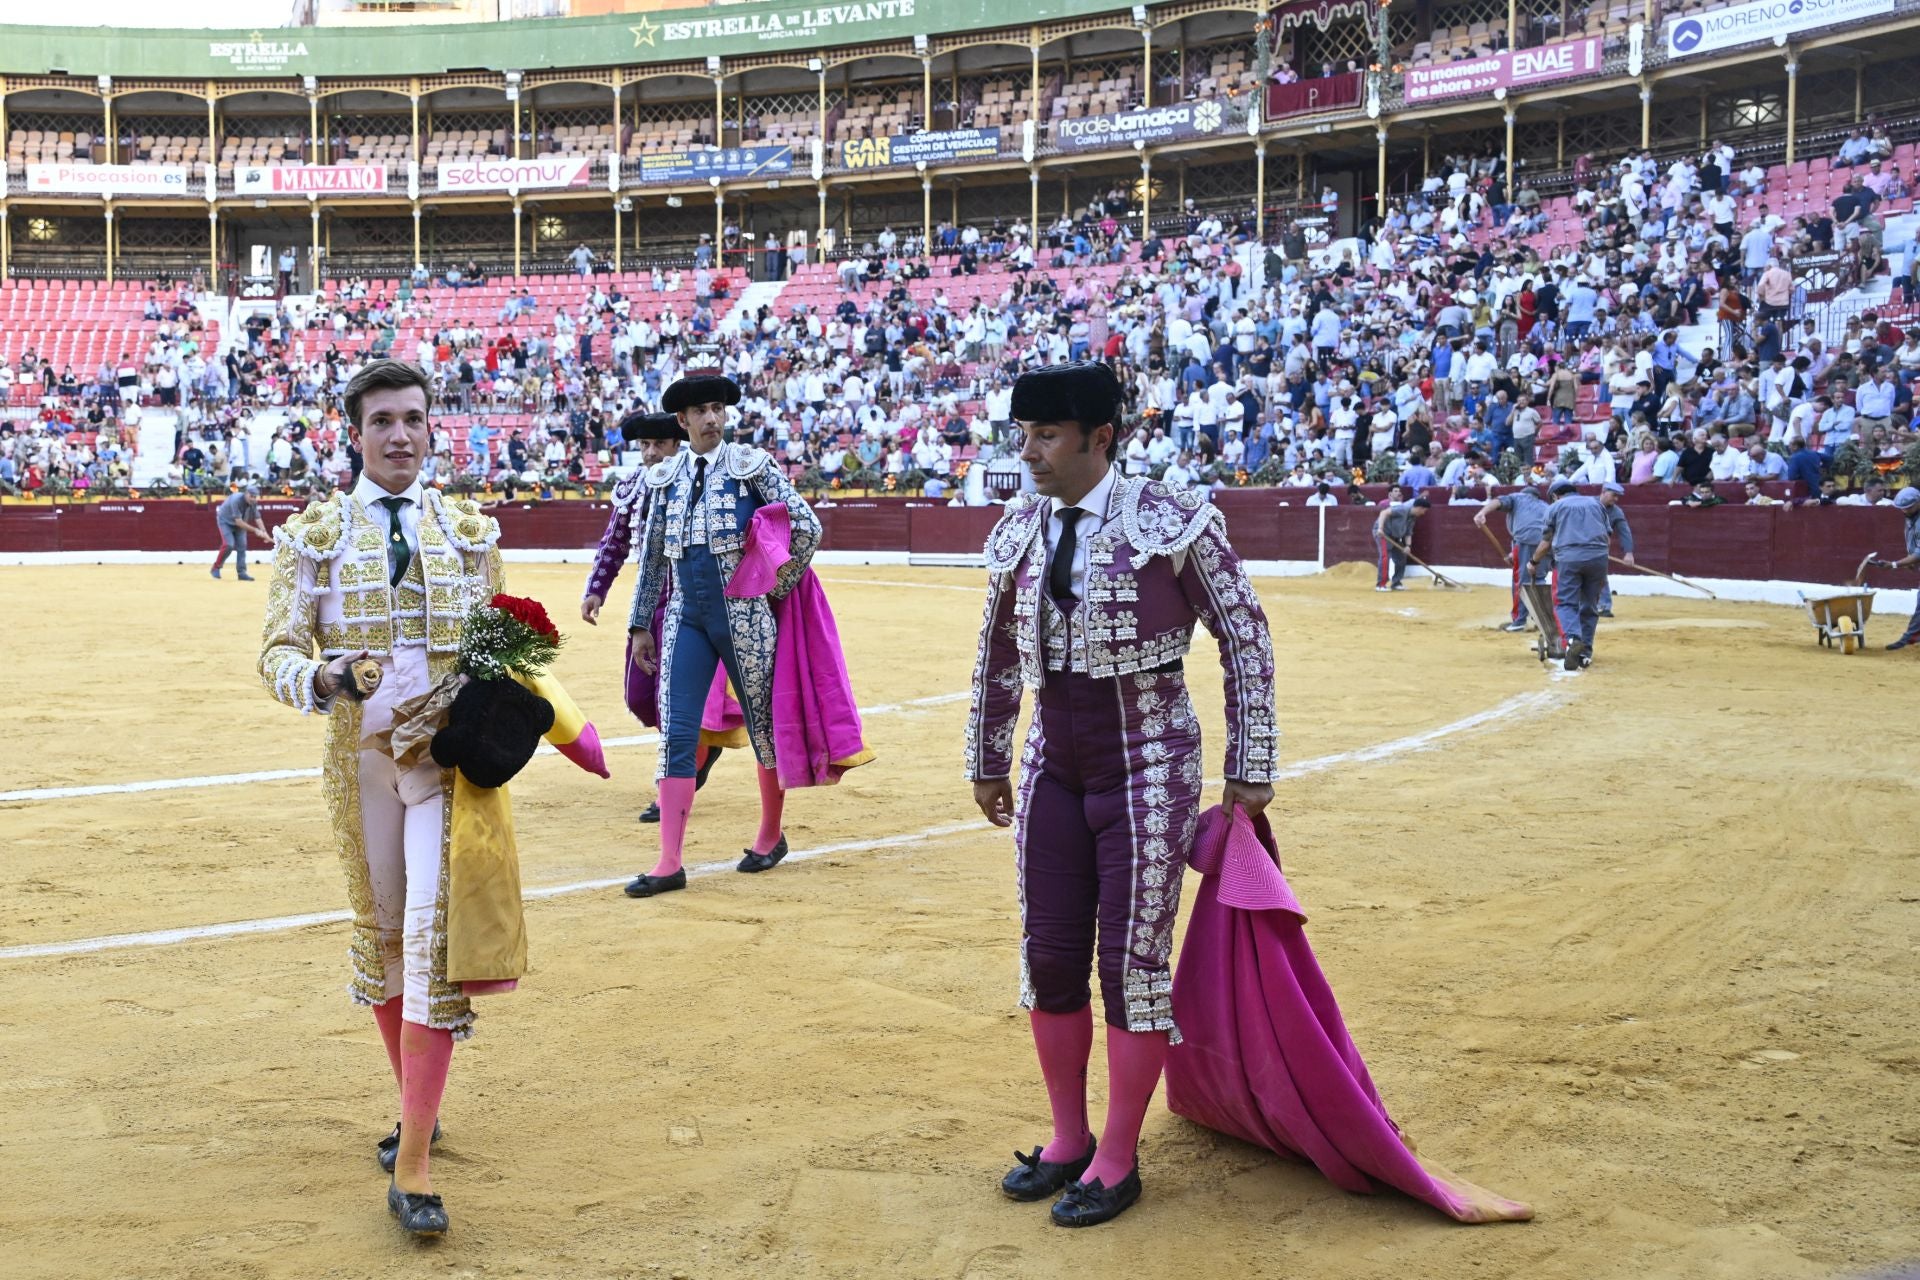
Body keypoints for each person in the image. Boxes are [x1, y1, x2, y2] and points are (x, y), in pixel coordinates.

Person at [965, 360, 1277, 1228]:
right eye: (1023, 435)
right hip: (1051, 764)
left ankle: (1118, 1155)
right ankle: (1069, 1138)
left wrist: (1251, 761)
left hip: (1149, 760)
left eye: (1047, 436)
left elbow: (1244, 636)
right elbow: (997, 653)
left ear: (1101, 438)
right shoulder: (1020, 527)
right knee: (1051, 956)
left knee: (1131, 964)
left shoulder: (1171, 520)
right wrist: (989, 757)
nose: (1029, 452)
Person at [257, 360, 518, 1237]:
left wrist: (505, 707)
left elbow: (500, 649)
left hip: (445, 767)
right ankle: (418, 1109)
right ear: (355, 433)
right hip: (361, 761)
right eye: (383, 421)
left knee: (430, 941)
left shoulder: (470, 532)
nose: (400, 435)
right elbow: (276, 652)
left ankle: (413, 1166)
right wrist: (322, 677)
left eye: (413, 418)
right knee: (383, 935)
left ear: (431, 427)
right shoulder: (314, 536)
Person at [623, 369, 824, 897]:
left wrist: (772, 586)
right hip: (685, 616)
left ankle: (771, 834)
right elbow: (652, 558)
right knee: (677, 730)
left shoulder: (752, 466)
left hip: (743, 614)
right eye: (701, 411)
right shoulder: (664, 477)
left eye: (718, 408)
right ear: (683, 420)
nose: (712, 418)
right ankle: (669, 861)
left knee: (763, 726)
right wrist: (640, 624)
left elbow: (806, 527)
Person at [583, 412, 744, 823]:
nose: (651, 453)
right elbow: (615, 543)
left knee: (673, 700)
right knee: (639, 695)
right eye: (644, 445)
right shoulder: (634, 487)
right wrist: (596, 589)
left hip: (691, 603)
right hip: (650, 603)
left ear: (677, 444)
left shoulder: (696, 481)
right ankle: (697, 747)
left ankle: (676, 775)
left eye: (659, 444)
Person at [1531, 479, 1634, 670]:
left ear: (1555, 496)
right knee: (1590, 605)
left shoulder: (1555, 507)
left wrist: (1533, 562)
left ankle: (1572, 639)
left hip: (1569, 559)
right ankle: (1585, 653)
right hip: (1598, 559)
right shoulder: (1597, 504)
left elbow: (1546, 542)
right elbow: (1607, 537)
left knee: (1565, 603)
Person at [1476, 483, 1551, 634]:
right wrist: (1515, 553)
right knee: (1538, 579)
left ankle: (1520, 620)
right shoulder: (1545, 506)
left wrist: (1482, 513)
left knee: (1521, 581)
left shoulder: (1518, 498)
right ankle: (1543, 620)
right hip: (1547, 543)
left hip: (1526, 541)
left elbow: (1498, 501)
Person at [1873, 487, 1920, 650]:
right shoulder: (1912, 516)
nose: (1905, 511)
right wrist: (1910, 561)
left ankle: (1910, 638)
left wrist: (1895, 564)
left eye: (1909, 507)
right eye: (1902, 508)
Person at [212, 482, 270, 580]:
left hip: (241, 523)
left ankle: (242, 573)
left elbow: (257, 518)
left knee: (242, 546)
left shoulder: (253, 502)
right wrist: (256, 530)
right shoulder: (236, 500)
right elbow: (238, 522)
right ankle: (216, 567)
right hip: (226, 522)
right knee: (228, 545)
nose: (253, 499)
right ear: (246, 494)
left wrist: (264, 532)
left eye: (255, 497)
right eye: (251, 496)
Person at [1372, 494, 1430, 591]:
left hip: (1395, 536)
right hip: (1383, 533)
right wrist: (1380, 528)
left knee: (1401, 557)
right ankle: (1381, 585)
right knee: (1385, 557)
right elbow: (1384, 513)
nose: (1424, 513)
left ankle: (1396, 583)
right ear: (1420, 508)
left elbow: (1408, 533)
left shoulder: (1413, 517)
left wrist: (1408, 546)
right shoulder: (1402, 509)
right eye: (1424, 510)